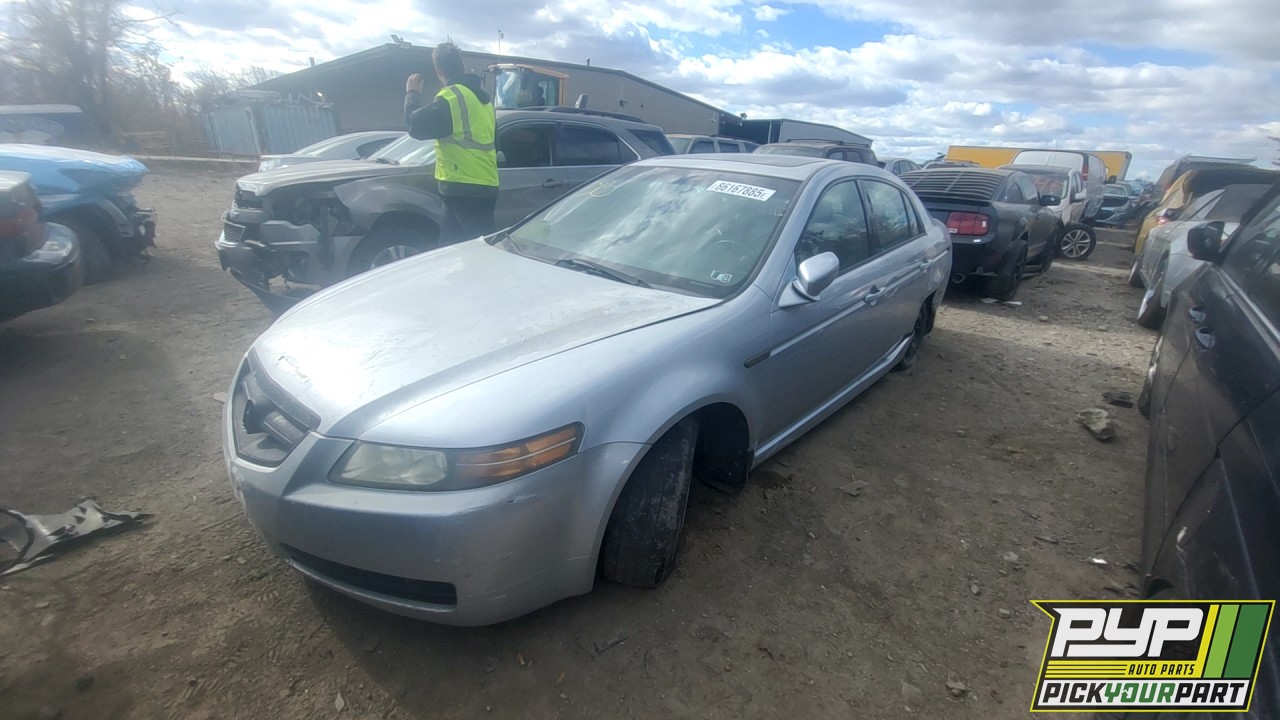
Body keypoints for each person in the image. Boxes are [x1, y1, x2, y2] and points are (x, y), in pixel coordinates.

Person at [404, 42, 499, 242]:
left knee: (476, 253)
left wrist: (412, 93)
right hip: (482, 184)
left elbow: (415, 125)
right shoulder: (483, 102)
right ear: (461, 66)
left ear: (438, 70)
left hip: (462, 186)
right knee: (454, 250)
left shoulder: (451, 97)